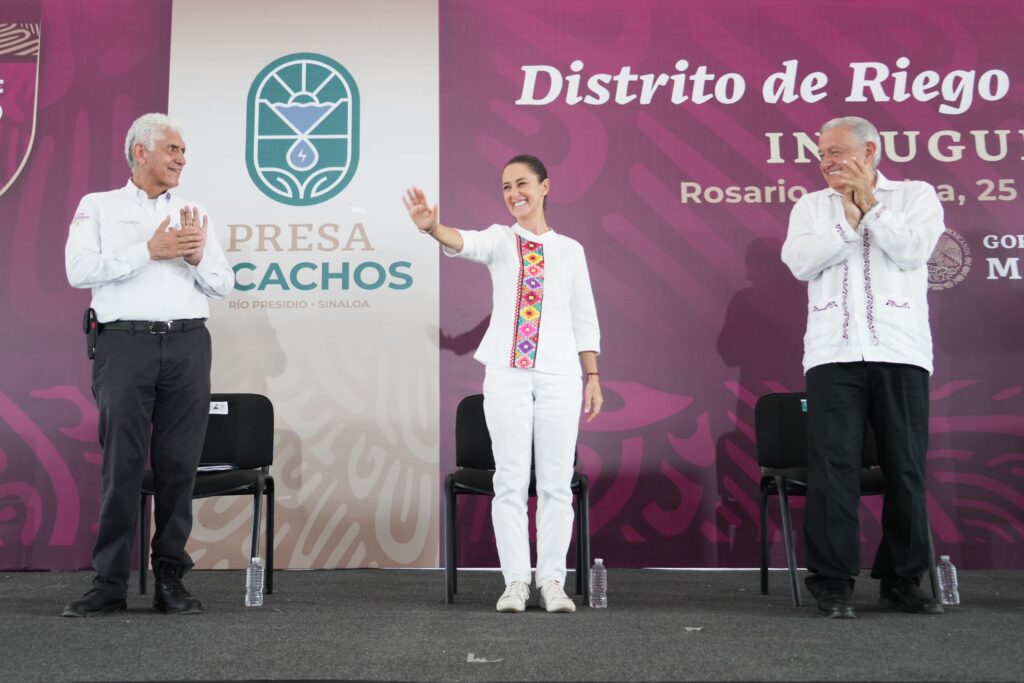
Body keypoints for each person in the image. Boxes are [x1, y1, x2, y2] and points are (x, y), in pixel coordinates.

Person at [404, 155, 602, 613]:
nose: (515, 194)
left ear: (545, 186)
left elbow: (584, 318)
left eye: (523, 184)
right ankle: (515, 582)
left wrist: (592, 374)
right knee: (510, 481)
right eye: (507, 187)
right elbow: (463, 242)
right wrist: (432, 227)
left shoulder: (570, 250)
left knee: (555, 482)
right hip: (506, 374)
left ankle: (552, 581)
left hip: (560, 375)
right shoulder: (499, 239)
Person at [62, 113, 234, 617]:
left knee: (180, 467)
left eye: (183, 152)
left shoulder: (195, 212)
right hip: (124, 345)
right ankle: (109, 584)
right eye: (173, 150)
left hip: (187, 346)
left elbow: (224, 284)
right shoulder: (98, 207)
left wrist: (199, 258)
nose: (182, 159)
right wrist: (148, 251)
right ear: (141, 152)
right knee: (123, 467)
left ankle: (171, 581)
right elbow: (79, 271)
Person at [781, 116, 946, 619]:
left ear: (870, 150)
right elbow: (800, 262)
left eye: (835, 152)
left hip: (900, 351)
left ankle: (901, 581)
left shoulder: (915, 196)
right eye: (822, 155)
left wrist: (870, 207)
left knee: (905, 469)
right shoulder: (811, 205)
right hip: (833, 354)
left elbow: (915, 251)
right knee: (832, 472)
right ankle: (833, 584)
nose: (826, 162)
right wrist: (848, 222)